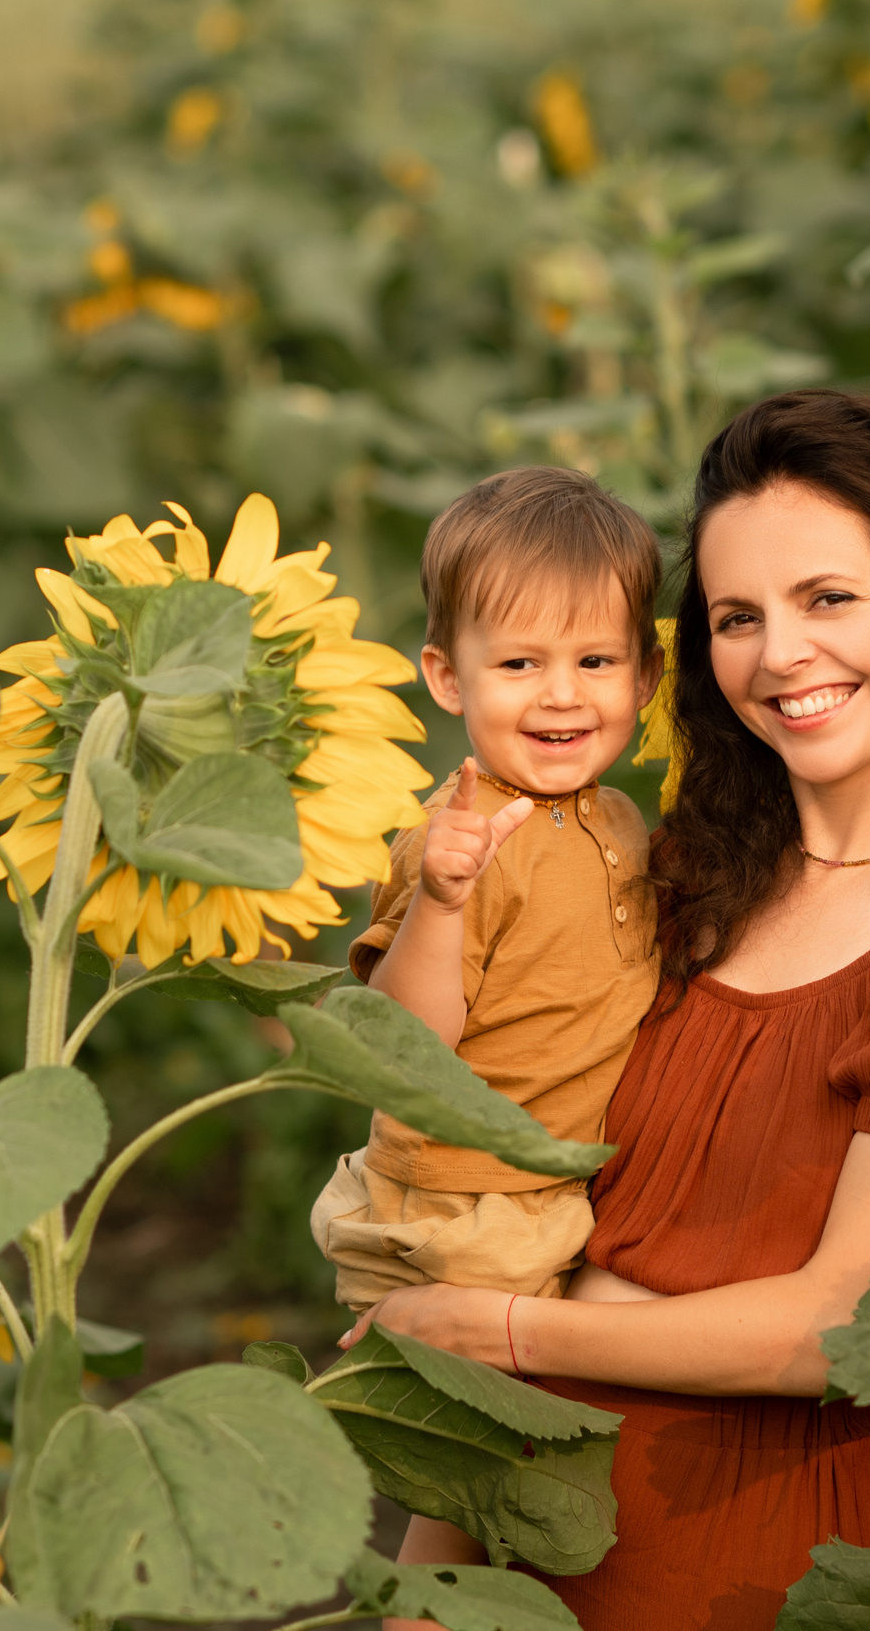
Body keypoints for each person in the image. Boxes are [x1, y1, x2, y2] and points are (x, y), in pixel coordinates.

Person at [346, 390, 870, 1631]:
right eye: (736, 618)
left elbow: (842, 1324)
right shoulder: (678, 881)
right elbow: (526, 1220)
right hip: (526, 1508)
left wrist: (489, 1331)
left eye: (828, 599)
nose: (780, 656)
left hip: (752, 1545)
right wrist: (428, 1585)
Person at [310, 466, 664, 1316]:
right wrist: (438, 902)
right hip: (462, 1209)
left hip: (564, 1188)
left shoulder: (615, 816)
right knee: (463, 1422)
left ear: (647, 675)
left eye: (596, 660)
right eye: (518, 662)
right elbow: (403, 1044)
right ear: (447, 677)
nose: (562, 694)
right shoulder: (458, 843)